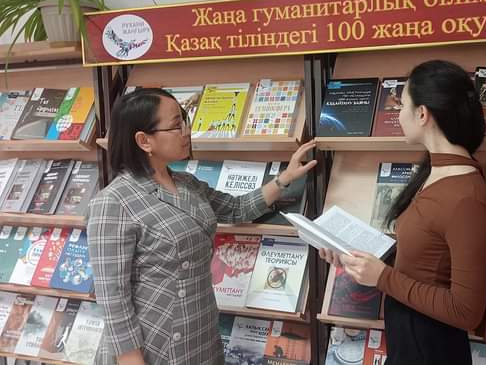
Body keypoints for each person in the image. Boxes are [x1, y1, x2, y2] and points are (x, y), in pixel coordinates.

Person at [87, 88, 316, 365]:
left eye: (185, 120)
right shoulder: (113, 201)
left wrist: (284, 178)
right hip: (154, 341)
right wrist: (130, 359)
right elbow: (112, 295)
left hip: (201, 328)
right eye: (176, 125)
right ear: (144, 140)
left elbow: (236, 208)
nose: (187, 132)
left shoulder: (187, 183)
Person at [319, 60, 486, 365]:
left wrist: (382, 277)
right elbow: (423, 254)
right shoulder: (434, 170)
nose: (398, 115)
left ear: (422, 114)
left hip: (431, 349)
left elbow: (467, 311)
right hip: (408, 338)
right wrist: (354, 256)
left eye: (402, 106)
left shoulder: (467, 198)